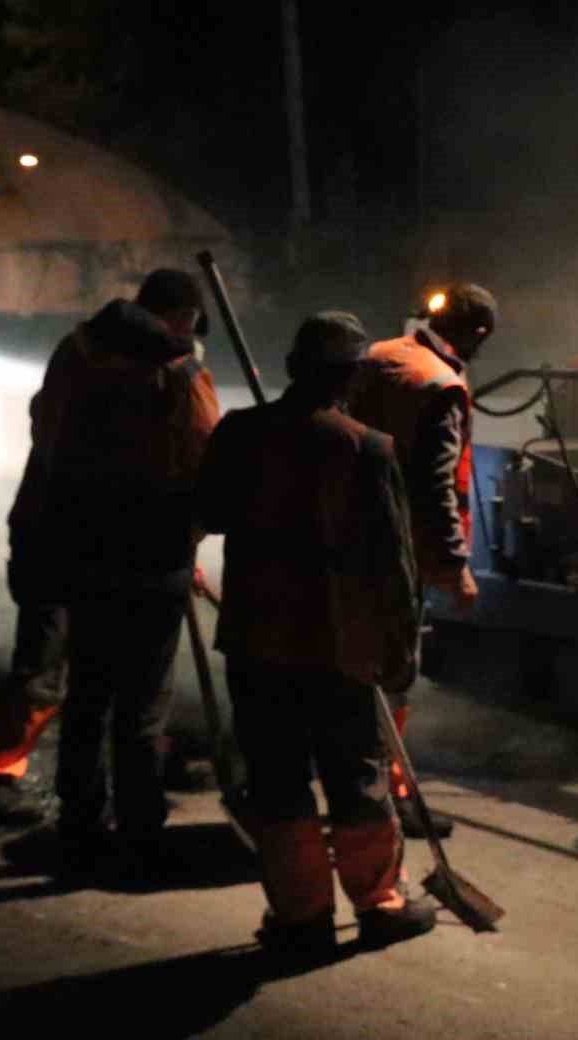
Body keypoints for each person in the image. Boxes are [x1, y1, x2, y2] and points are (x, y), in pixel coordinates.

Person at [198, 311, 434, 954]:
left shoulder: (242, 432)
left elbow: (208, 511)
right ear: (350, 378)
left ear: (293, 369)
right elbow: (395, 564)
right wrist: (401, 650)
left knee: (276, 781)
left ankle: (301, 918)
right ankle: (379, 903)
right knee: (356, 778)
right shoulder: (366, 447)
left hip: (256, 639)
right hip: (339, 642)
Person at [15, 268, 218, 864]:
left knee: (88, 692)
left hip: (81, 546)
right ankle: (139, 825)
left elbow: (42, 425)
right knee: (142, 702)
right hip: (153, 553)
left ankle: (79, 819)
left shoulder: (75, 351)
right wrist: (193, 531)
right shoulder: (178, 372)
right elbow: (205, 453)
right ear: (181, 317)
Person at [348, 282, 497, 838]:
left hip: (340, 535)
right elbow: (438, 485)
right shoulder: (441, 386)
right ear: (478, 332)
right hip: (395, 549)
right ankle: (389, 796)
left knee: (347, 666)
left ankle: (357, 784)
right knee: (393, 674)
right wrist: (454, 564)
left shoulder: (380, 356)